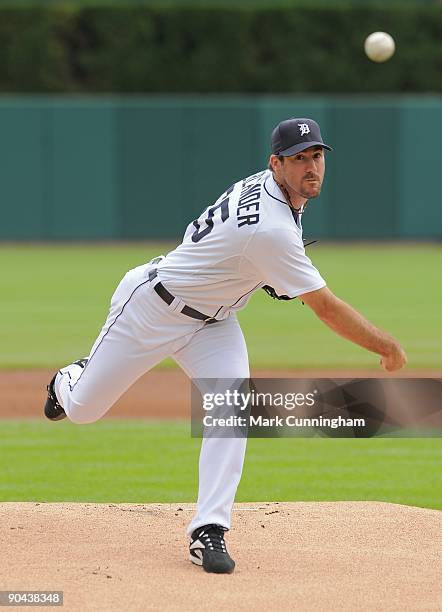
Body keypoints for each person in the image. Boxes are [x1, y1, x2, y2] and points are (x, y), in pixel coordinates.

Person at [44, 117, 407, 574]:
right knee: (84, 409)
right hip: (151, 309)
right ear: (276, 164)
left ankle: (208, 529)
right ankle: (69, 379)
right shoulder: (271, 229)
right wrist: (388, 346)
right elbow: (326, 309)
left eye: (316, 155)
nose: (311, 166)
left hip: (213, 322)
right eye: (299, 159)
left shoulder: (275, 192)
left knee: (232, 407)